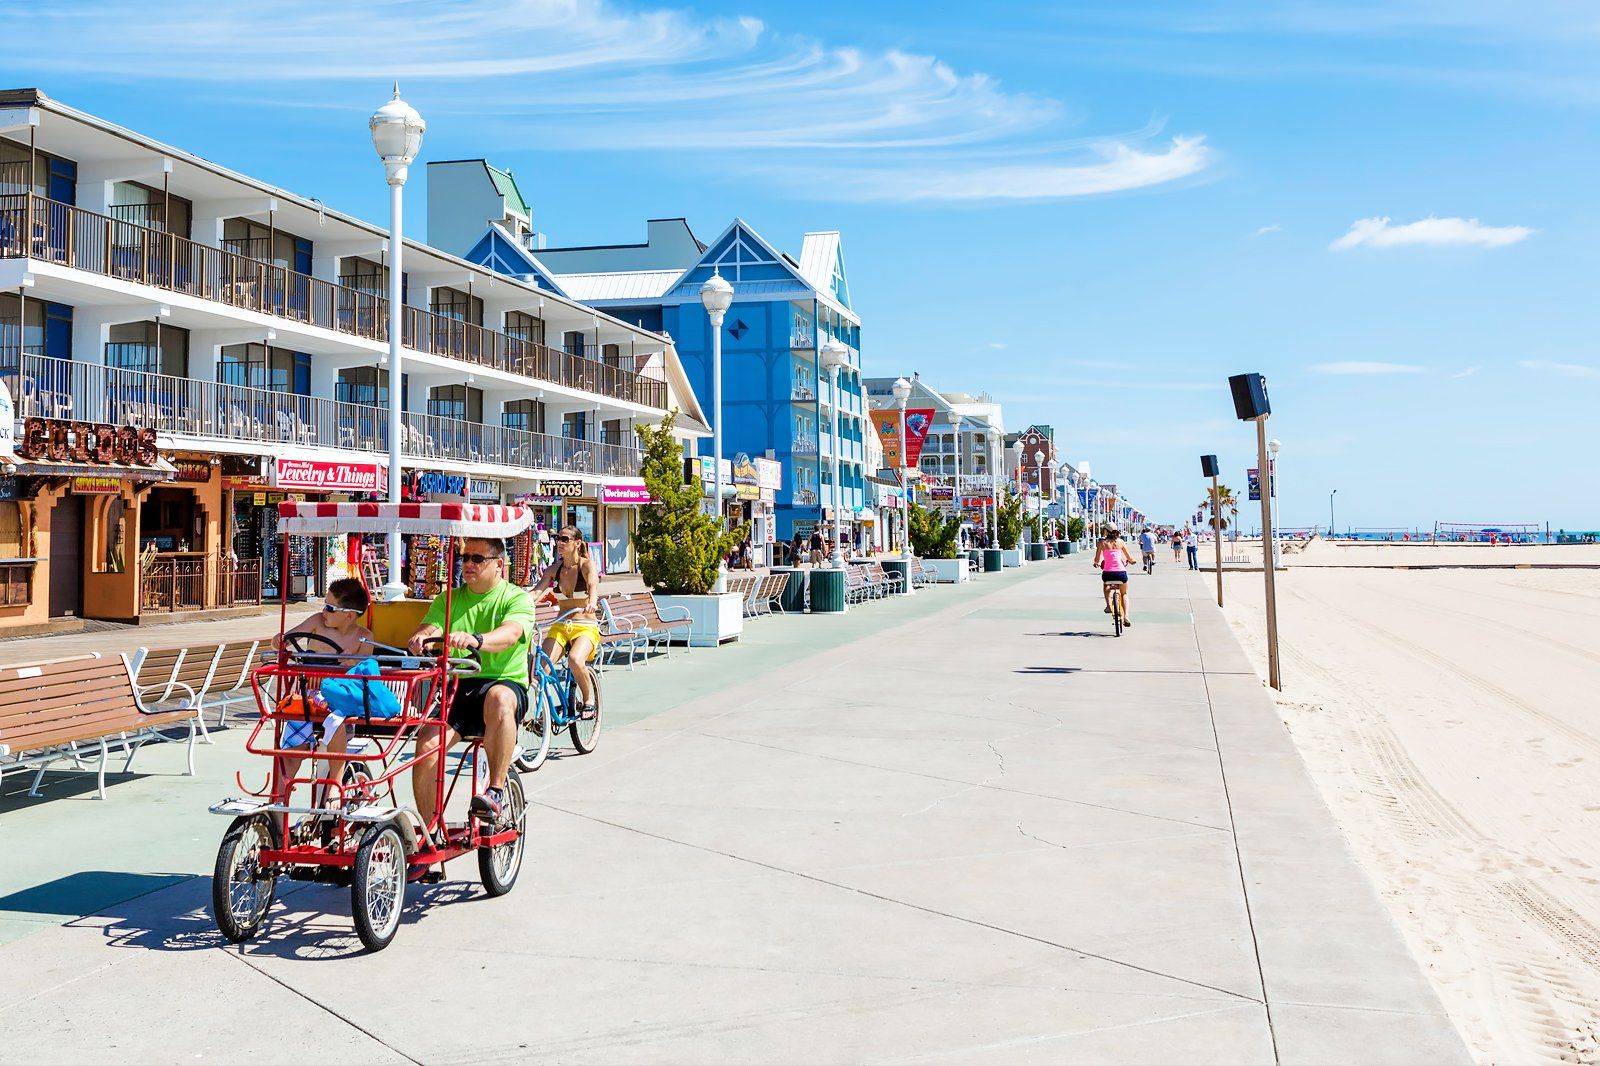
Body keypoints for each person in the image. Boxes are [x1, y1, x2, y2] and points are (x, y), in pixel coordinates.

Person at [406, 536, 538, 831]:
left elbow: (511, 633)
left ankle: (496, 790)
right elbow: (432, 624)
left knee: (499, 699)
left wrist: (477, 640)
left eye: (477, 559)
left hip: (504, 683)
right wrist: (422, 637)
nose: (468, 564)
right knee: (426, 742)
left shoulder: (516, 598)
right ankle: (430, 832)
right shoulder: (448, 599)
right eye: (465, 558)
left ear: (499, 565)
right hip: (459, 688)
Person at [277, 578, 373, 831]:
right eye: (324, 605)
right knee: (290, 751)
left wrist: (349, 663)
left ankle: (334, 782)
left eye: (331, 608)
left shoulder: (364, 637)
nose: (324, 611)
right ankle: (277, 806)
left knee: (336, 719)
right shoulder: (316, 623)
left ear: (350, 615)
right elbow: (287, 639)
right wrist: (281, 641)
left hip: (339, 699)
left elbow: (364, 670)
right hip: (308, 696)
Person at [530, 524, 601, 717]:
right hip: (561, 625)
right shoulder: (554, 569)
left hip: (585, 626)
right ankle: (544, 712)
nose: (559, 543)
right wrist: (517, 602)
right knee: (539, 669)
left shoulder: (586, 565)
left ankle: (589, 700)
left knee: (575, 660)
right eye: (558, 539)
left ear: (578, 543)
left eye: (565, 539)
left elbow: (593, 584)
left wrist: (592, 602)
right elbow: (536, 592)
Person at [1094, 528, 1135, 624]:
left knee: (1106, 586)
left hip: (1108, 573)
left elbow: (1097, 559)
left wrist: (1096, 563)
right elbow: (1129, 557)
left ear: (1106, 532)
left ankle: (1108, 606)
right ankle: (1126, 616)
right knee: (1124, 593)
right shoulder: (1120, 542)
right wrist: (1132, 561)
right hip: (1121, 573)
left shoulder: (1102, 543)